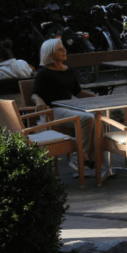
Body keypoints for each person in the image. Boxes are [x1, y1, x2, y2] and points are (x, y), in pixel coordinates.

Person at [30, 38, 97, 166]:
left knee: (98, 116)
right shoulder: (44, 73)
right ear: (50, 54)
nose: (65, 51)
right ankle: (78, 159)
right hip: (52, 110)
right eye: (60, 49)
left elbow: (78, 93)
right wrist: (38, 101)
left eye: (64, 48)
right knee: (86, 118)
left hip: (69, 107)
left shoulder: (69, 70)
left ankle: (91, 158)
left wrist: (98, 98)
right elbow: (34, 94)